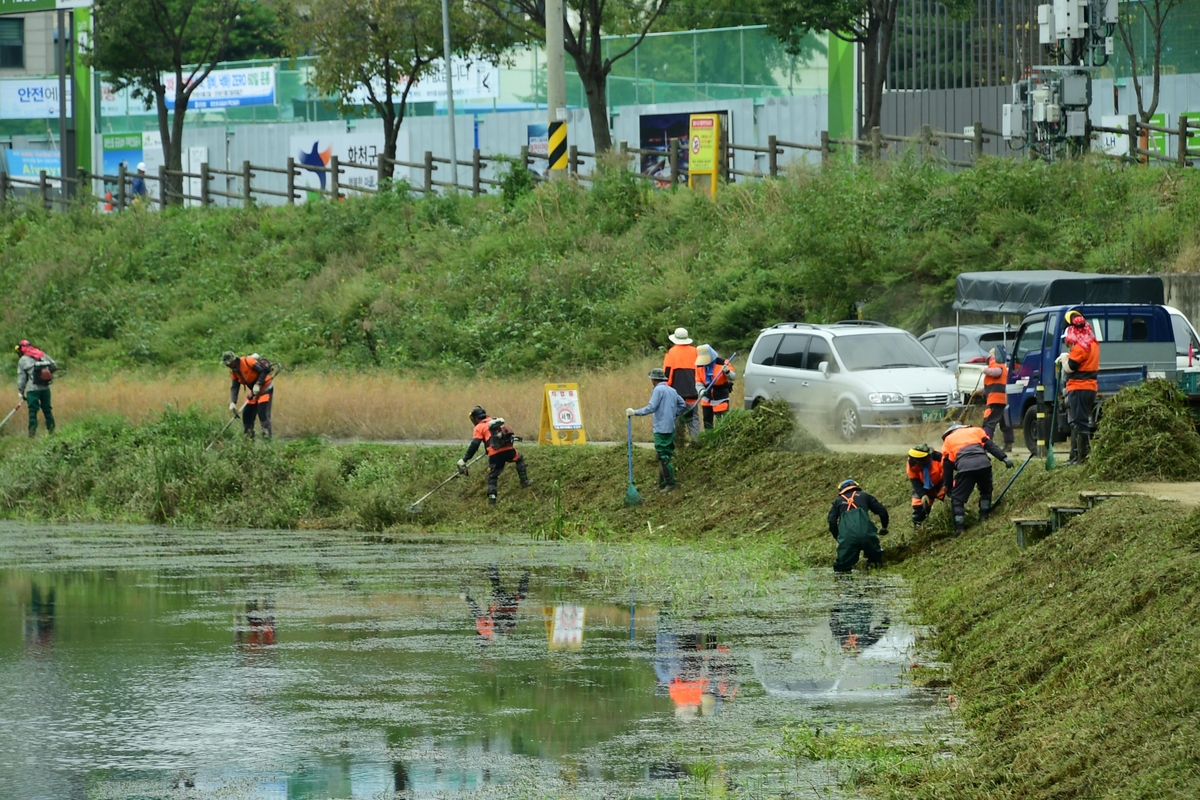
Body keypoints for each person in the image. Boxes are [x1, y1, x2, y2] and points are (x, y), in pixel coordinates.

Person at [941, 422, 1014, 535]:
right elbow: (990, 445)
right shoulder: (976, 430)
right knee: (985, 491)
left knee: (957, 499)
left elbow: (947, 466)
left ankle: (960, 529)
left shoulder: (948, 440)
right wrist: (1004, 458)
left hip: (965, 467)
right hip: (984, 464)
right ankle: (984, 516)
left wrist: (949, 487)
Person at [627, 367, 688, 492]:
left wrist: (635, 412)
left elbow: (651, 407)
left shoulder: (658, 390)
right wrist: (672, 414)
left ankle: (670, 483)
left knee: (662, 456)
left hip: (661, 428)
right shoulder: (672, 390)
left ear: (654, 379)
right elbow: (682, 404)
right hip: (671, 427)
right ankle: (662, 483)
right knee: (665, 455)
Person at [459, 405, 531, 505]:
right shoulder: (495, 420)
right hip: (509, 449)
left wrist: (465, 459)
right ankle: (524, 481)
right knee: (519, 458)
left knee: (492, 476)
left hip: (495, 454)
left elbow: (475, 445)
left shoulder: (479, 427)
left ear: (476, 418)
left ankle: (492, 501)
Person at [1056, 310, 1099, 464]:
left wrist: (1065, 360)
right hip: (1090, 387)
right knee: (1080, 421)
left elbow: (1071, 367)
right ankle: (1077, 456)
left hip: (1078, 388)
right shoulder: (1093, 344)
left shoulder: (1080, 346)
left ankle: (1081, 458)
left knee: (1079, 423)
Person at [827, 479, 888, 573]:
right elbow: (882, 512)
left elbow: (831, 521)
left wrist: (838, 537)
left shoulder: (837, 502)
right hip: (867, 535)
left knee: (841, 569)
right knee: (875, 560)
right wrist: (884, 527)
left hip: (847, 539)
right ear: (856, 486)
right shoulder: (865, 496)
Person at [222, 351, 274, 439]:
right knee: (247, 414)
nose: (228, 365)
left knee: (263, 414)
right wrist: (233, 402)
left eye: (229, 363)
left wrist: (258, 384)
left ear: (234, 360)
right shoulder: (234, 371)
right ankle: (248, 438)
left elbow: (263, 371)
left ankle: (267, 438)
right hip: (253, 392)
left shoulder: (248, 361)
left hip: (265, 388)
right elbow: (235, 386)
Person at [663, 327, 701, 438]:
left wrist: (666, 388)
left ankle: (678, 445)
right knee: (693, 419)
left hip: (676, 394)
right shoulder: (695, 351)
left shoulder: (672, 352)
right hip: (693, 392)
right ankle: (696, 444)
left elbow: (667, 373)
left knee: (677, 420)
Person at [16, 339, 57, 437]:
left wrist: (21, 392)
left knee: (33, 411)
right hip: (45, 388)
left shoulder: (23, 360)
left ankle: (32, 434)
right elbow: (54, 365)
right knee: (47, 409)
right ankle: (52, 432)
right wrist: (47, 374)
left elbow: (21, 379)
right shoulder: (41, 354)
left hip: (32, 389)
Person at [695, 344, 735, 430]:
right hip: (706, 399)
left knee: (723, 424)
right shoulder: (699, 366)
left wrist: (727, 372)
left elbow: (733, 377)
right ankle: (709, 440)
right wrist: (701, 390)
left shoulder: (723, 363)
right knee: (707, 424)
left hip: (721, 398)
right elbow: (698, 381)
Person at [981, 348, 1014, 451]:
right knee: (1005, 423)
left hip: (996, 400)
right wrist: (978, 392)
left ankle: (984, 444)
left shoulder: (997, 365)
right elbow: (990, 386)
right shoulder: (1001, 366)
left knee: (989, 422)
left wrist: (985, 370)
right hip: (1003, 400)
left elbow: (996, 372)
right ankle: (1008, 444)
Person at [906, 443, 945, 526]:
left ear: (928, 456)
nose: (919, 461)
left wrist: (944, 488)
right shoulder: (911, 463)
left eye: (922, 459)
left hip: (941, 483)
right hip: (923, 487)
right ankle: (919, 530)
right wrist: (922, 495)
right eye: (917, 459)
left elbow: (946, 475)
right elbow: (915, 481)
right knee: (918, 513)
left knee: (954, 499)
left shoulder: (939, 457)